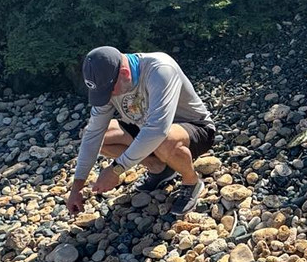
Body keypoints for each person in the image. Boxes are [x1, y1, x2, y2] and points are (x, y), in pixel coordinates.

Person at [66, 46, 216, 216]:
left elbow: (157, 130)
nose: (108, 96)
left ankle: (192, 181)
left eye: (109, 91)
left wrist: (116, 169)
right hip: (147, 129)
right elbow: (93, 134)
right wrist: (76, 187)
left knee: (163, 139)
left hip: (194, 129)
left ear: (124, 73)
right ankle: (159, 169)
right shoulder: (108, 84)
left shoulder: (160, 69)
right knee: (97, 135)